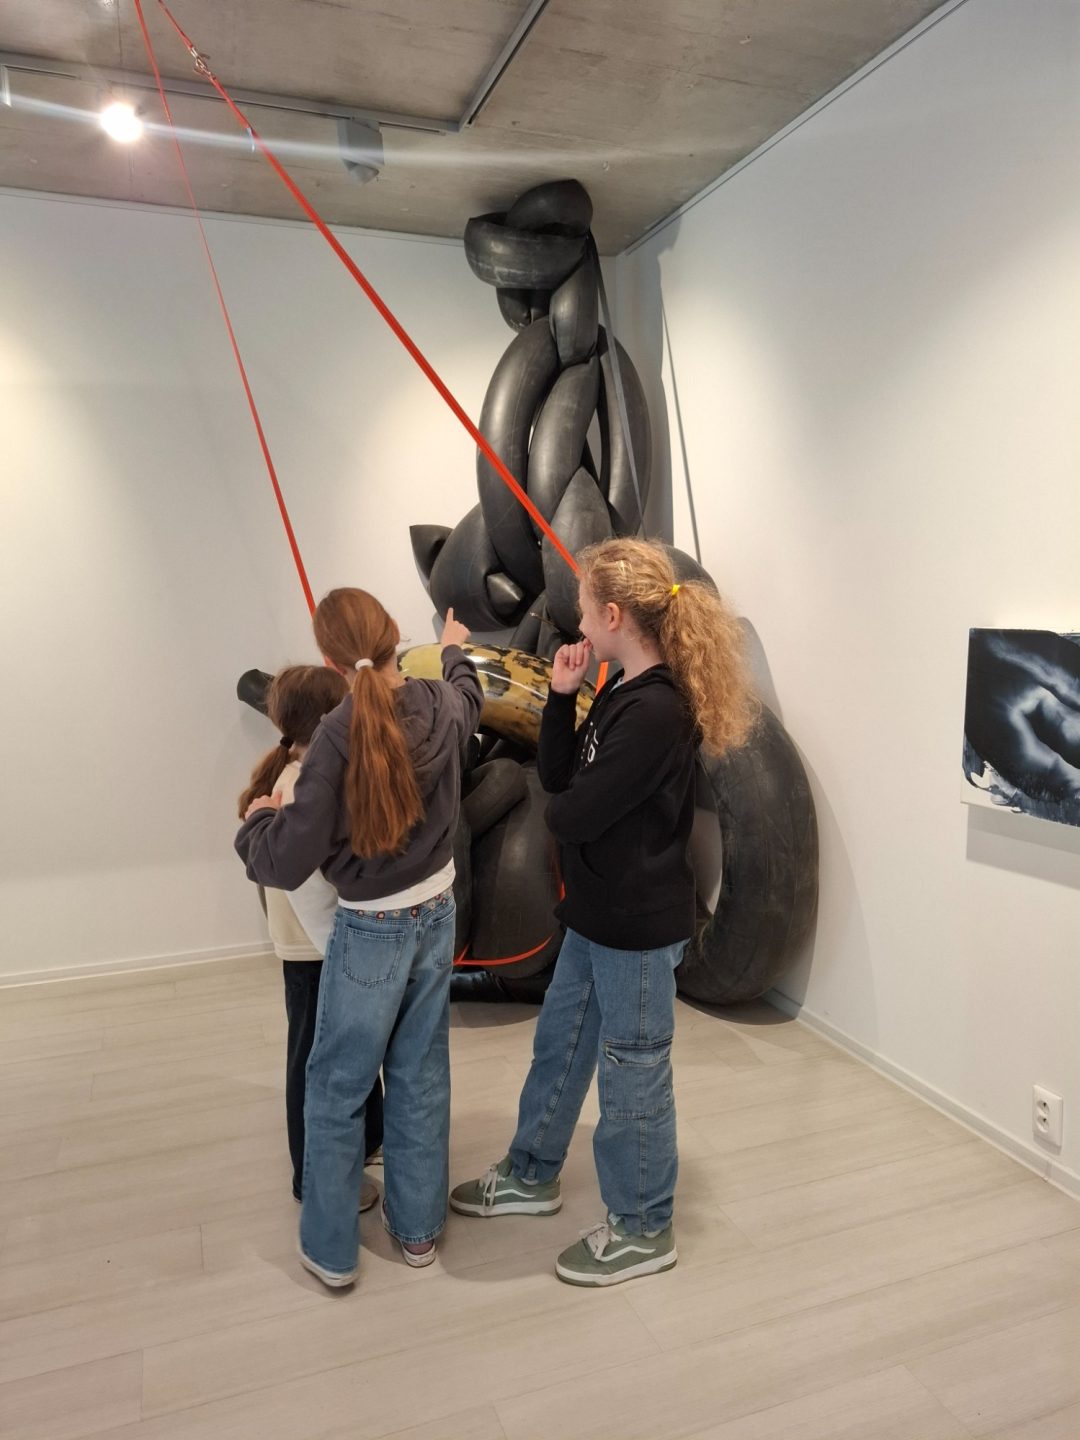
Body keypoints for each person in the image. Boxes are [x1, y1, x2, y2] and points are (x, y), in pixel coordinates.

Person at [450, 538, 756, 1286]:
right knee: (559, 1047)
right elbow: (559, 778)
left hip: (636, 932)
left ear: (614, 615)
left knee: (633, 1076)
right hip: (593, 917)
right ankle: (532, 1171)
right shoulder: (620, 687)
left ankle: (644, 1226)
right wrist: (561, 695)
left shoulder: (657, 711)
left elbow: (570, 814)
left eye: (585, 608)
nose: (578, 621)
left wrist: (568, 808)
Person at [236, 593, 482, 1288]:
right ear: (396, 637)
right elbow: (470, 695)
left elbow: (283, 860)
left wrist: (257, 823)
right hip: (438, 911)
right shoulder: (438, 701)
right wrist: (455, 648)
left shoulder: (336, 735)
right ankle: (418, 1233)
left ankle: (332, 1252)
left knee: (337, 1083)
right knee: (420, 1072)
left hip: (372, 927)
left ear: (329, 659)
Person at [237, 664, 383, 1210]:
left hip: (317, 946)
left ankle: (366, 1141)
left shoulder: (300, 776)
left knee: (346, 1050)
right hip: (315, 951)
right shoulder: (301, 785)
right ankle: (314, 1176)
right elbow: (308, 888)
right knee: (314, 1063)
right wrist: (346, 953)